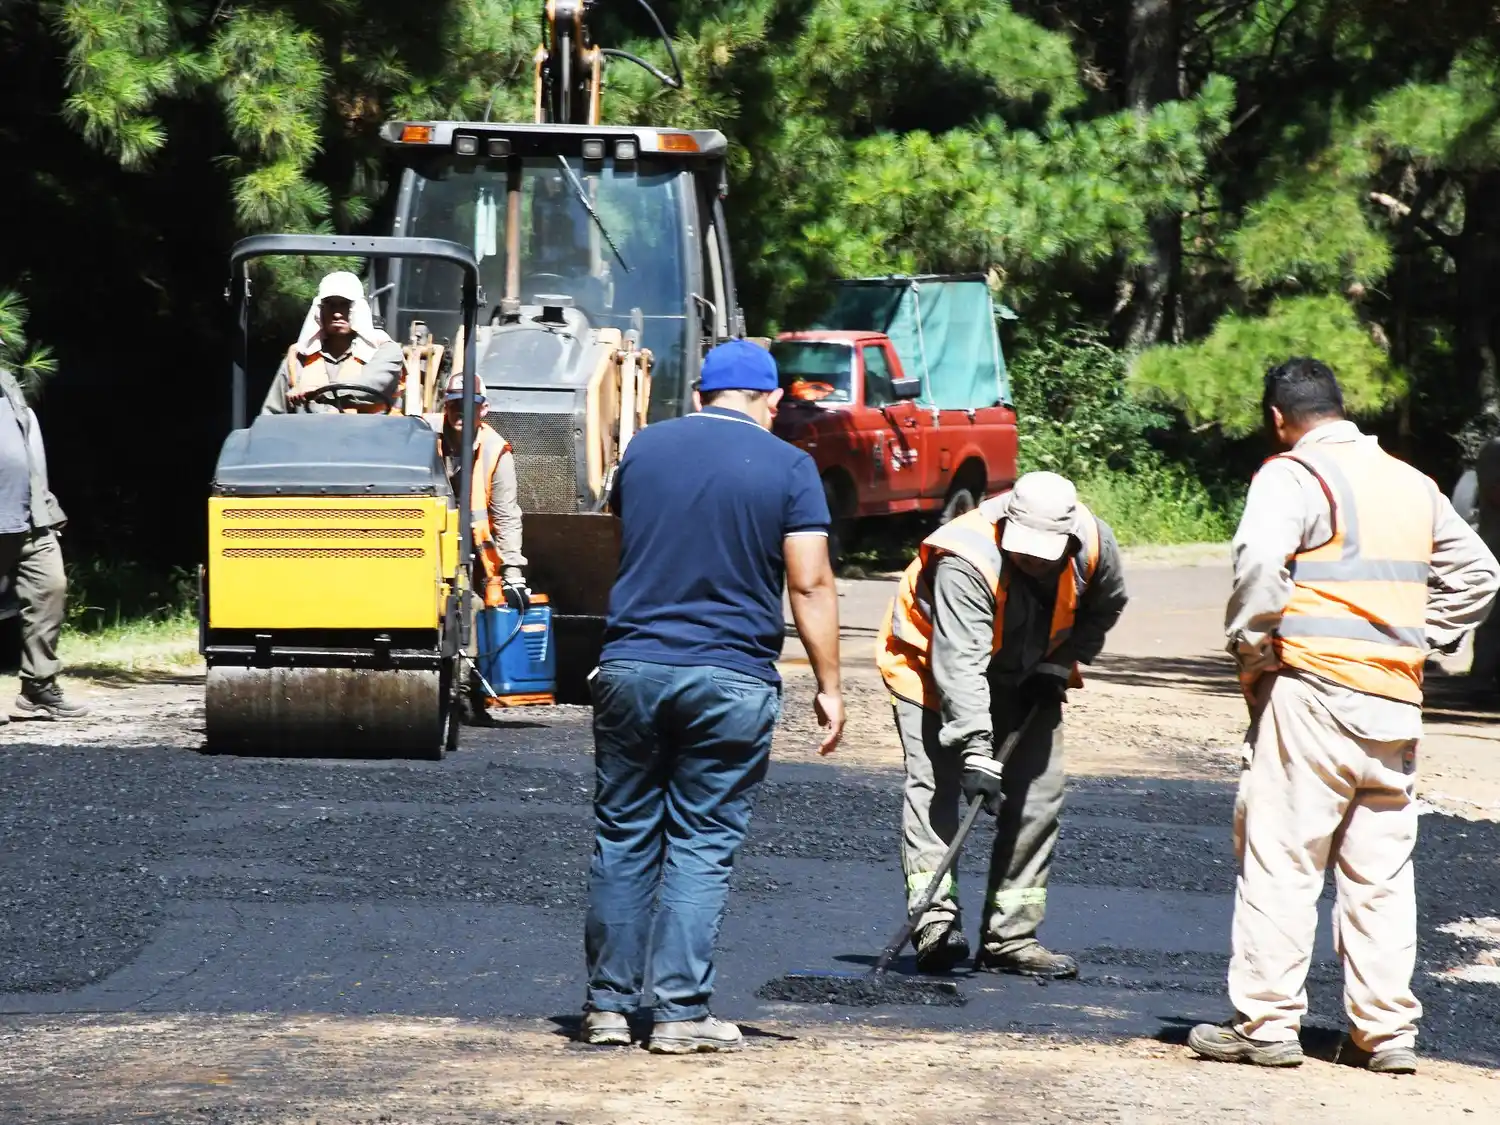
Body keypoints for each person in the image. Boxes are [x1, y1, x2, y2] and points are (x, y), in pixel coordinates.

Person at [1189, 357, 1500, 1074]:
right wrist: (1420, 634)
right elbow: (1481, 573)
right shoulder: (1409, 480)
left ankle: (1266, 1025)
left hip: (1313, 692)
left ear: (1278, 418)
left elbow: (1261, 561)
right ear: (1340, 406)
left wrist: (1253, 646)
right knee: (1381, 873)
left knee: (1283, 856)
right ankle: (1385, 1034)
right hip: (1393, 700)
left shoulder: (1292, 475)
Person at [578, 338, 844, 1054]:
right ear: (773, 400)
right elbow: (810, 582)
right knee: (700, 844)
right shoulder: (791, 466)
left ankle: (607, 1007)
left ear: (699, 395)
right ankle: (678, 1013)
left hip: (633, 665)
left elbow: (623, 544)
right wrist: (830, 685)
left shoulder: (644, 450)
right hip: (729, 676)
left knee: (625, 834)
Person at [875, 470, 1127, 978]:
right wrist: (975, 751)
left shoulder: (1094, 544)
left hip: (1028, 671)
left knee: (1038, 797)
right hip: (930, 668)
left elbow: (1106, 605)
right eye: (1024, 548)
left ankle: (1010, 937)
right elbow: (960, 664)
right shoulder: (965, 558)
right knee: (937, 789)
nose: (1032, 558)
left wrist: (1059, 663)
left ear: (1069, 534)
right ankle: (936, 923)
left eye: (1044, 551)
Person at [423, 372, 527, 723]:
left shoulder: (497, 450)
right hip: (426, 541)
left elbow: (507, 514)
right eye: (453, 404)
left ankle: (463, 692)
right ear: (445, 405)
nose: (460, 412)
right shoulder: (422, 436)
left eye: (469, 405)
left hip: (471, 551)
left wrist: (512, 568)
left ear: (484, 409)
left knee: (472, 605)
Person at [0, 357, 86, 720]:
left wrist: (46, 507)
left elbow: (28, 446)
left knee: (50, 589)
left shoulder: (6, 383)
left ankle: (38, 687)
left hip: (29, 516)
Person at [261, 271, 405, 415]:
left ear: (359, 309)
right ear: (319, 310)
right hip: (307, 436)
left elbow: (372, 386)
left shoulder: (384, 351)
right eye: (330, 304)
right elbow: (272, 415)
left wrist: (317, 392)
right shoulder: (298, 360)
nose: (337, 313)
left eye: (345, 304)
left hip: (370, 435)